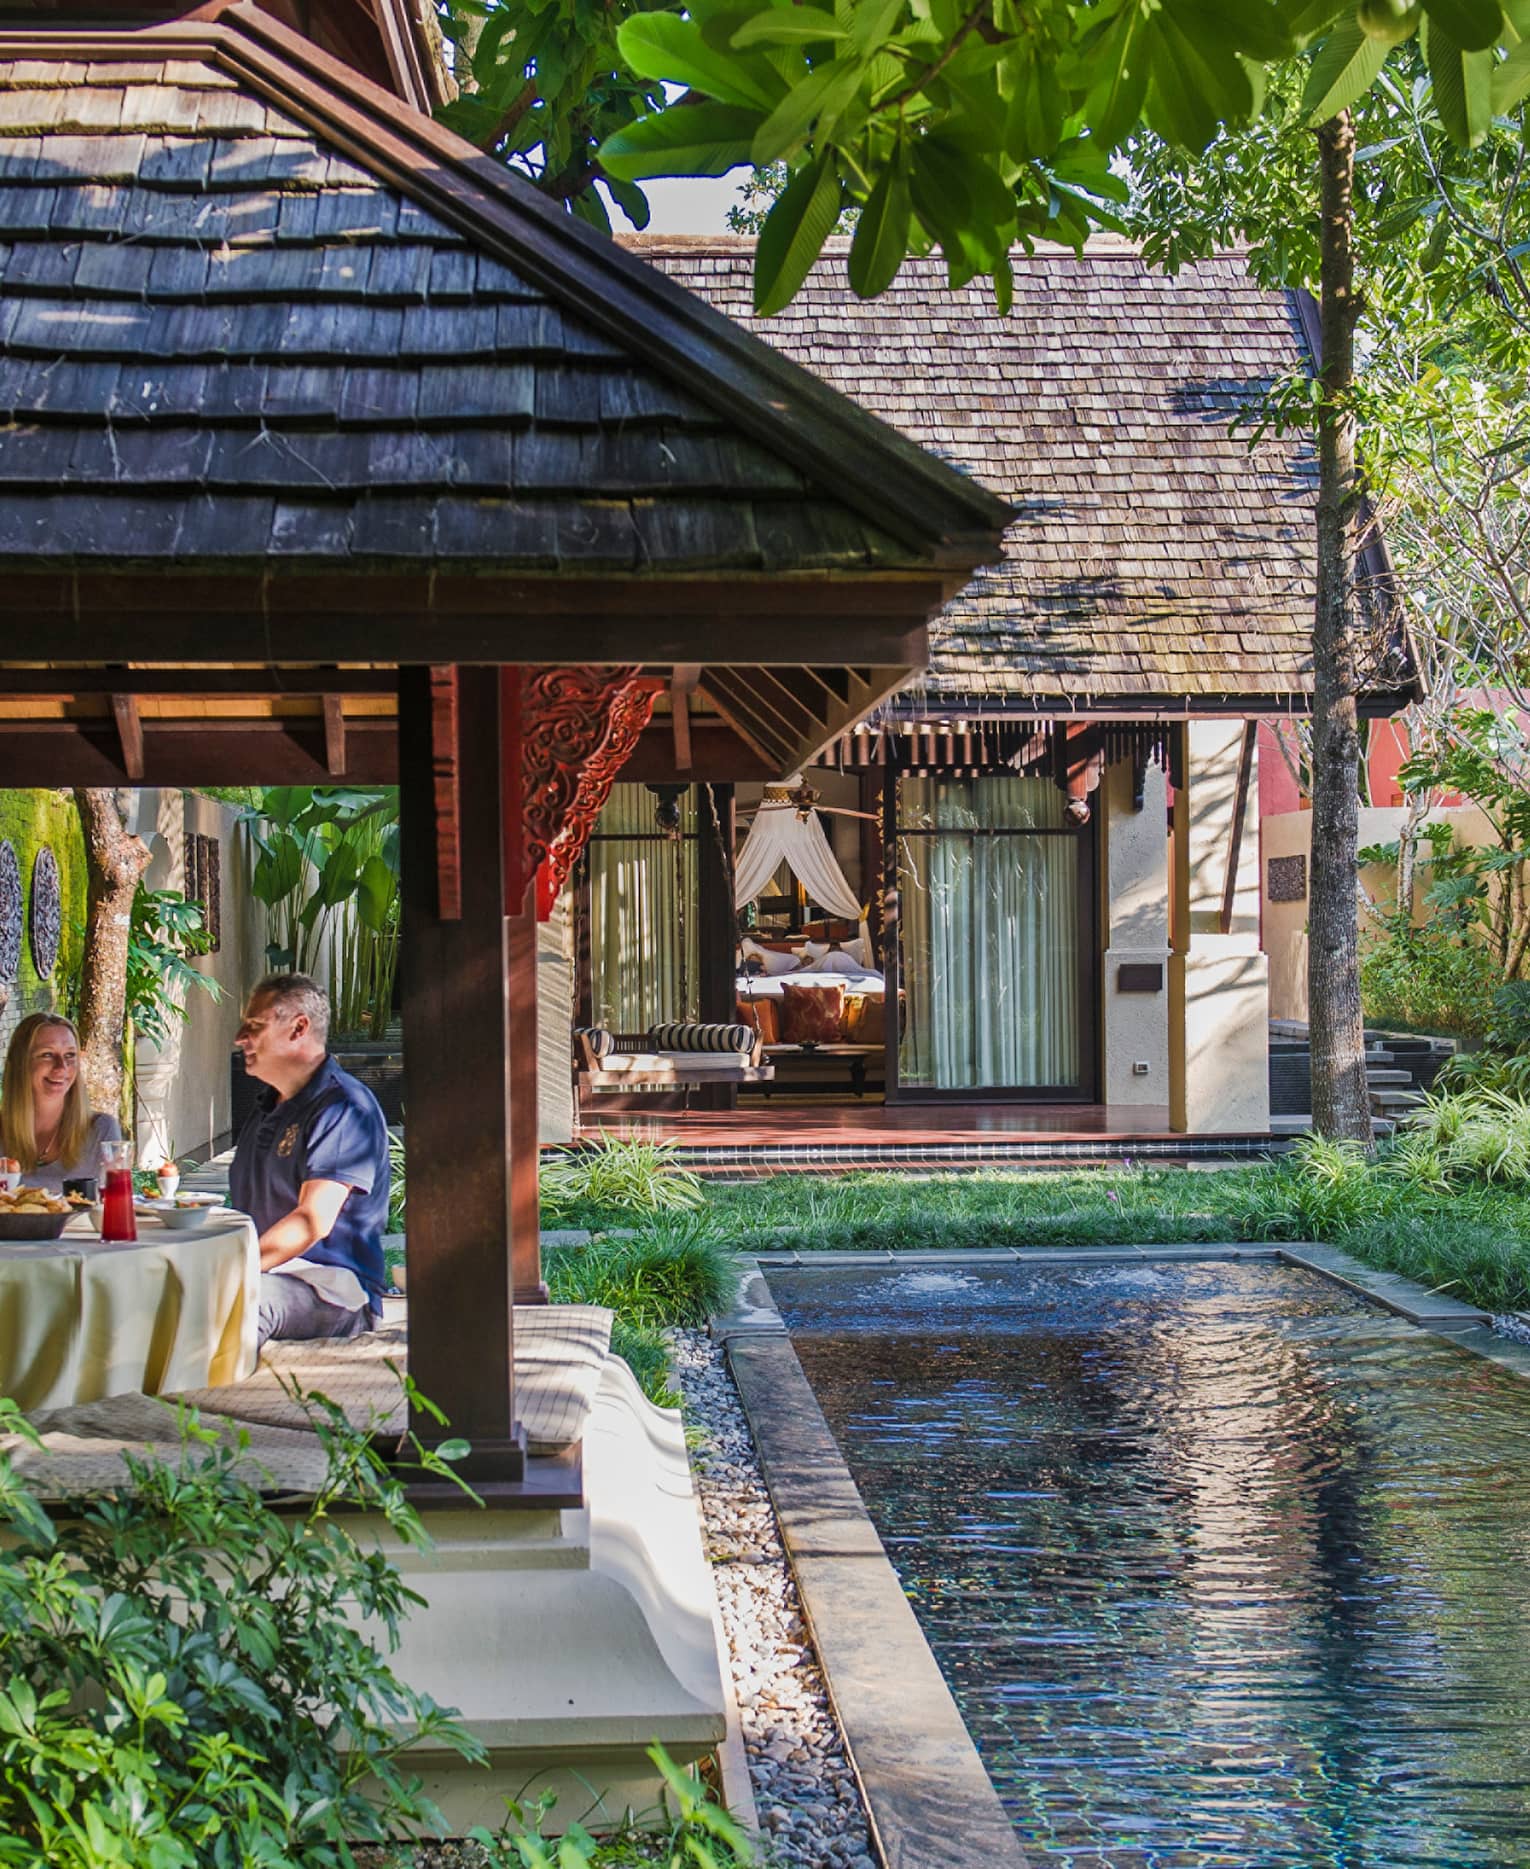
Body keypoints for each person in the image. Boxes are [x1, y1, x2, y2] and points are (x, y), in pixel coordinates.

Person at [229, 972, 389, 1349]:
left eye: (254, 1025)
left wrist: (230, 1271)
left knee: (239, 1305)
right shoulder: (268, 1107)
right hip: (268, 1272)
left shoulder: (344, 1107)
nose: (240, 1038)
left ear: (299, 1027)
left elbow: (311, 1222)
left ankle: (202, 1406)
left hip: (331, 1288)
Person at [0, 1011, 121, 1194]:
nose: (62, 1067)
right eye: (47, 1054)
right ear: (20, 1063)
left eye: (70, 1055)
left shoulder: (101, 1130)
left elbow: (116, 1202)